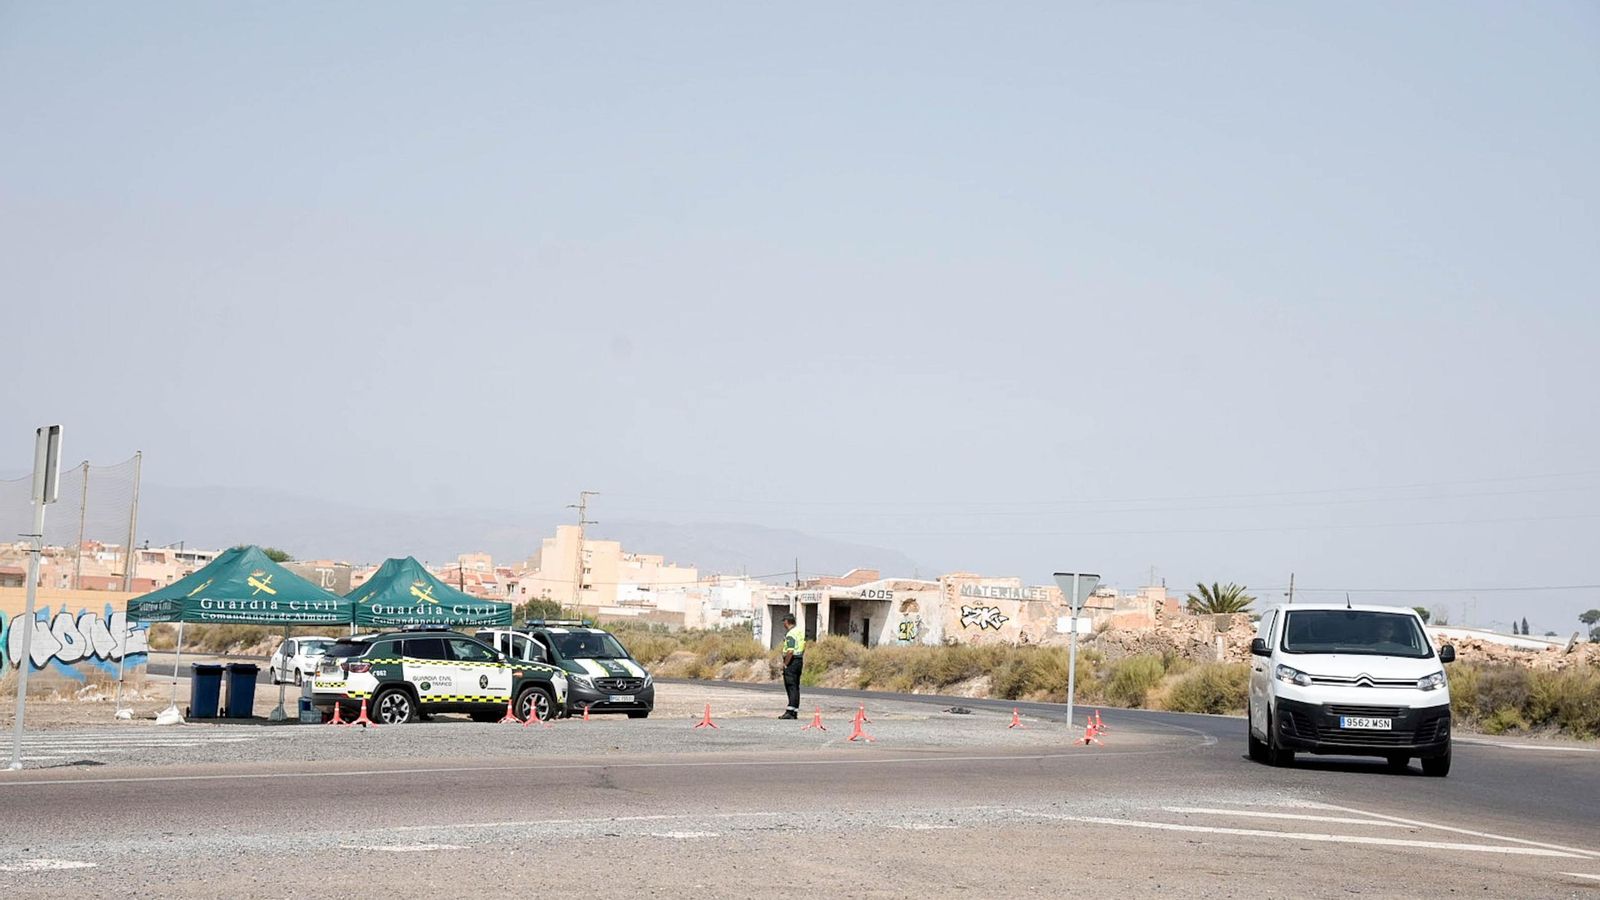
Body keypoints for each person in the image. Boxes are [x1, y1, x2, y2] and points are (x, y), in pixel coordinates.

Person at [779, 612, 805, 719]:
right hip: (799, 660)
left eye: (784, 622)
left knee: (790, 686)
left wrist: (785, 664)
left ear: (787, 622)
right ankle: (794, 710)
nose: (783, 624)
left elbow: (790, 651)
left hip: (792, 661)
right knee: (795, 686)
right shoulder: (799, 632)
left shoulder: (790, 634)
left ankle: (790, 711)